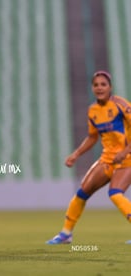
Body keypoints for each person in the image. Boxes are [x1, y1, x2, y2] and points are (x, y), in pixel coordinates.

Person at [46, 70, 131, 244]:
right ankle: (66, 233)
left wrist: (124, 152)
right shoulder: (92, 110)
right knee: (82, 193)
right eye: (96, 85)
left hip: (127, 158)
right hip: (107, 159)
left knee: (115, 193)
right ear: (92, 88)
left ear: (110, 87)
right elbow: (93, 137)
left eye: (103, 84)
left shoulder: (121, 105)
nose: (99, 88)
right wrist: (76, 154)